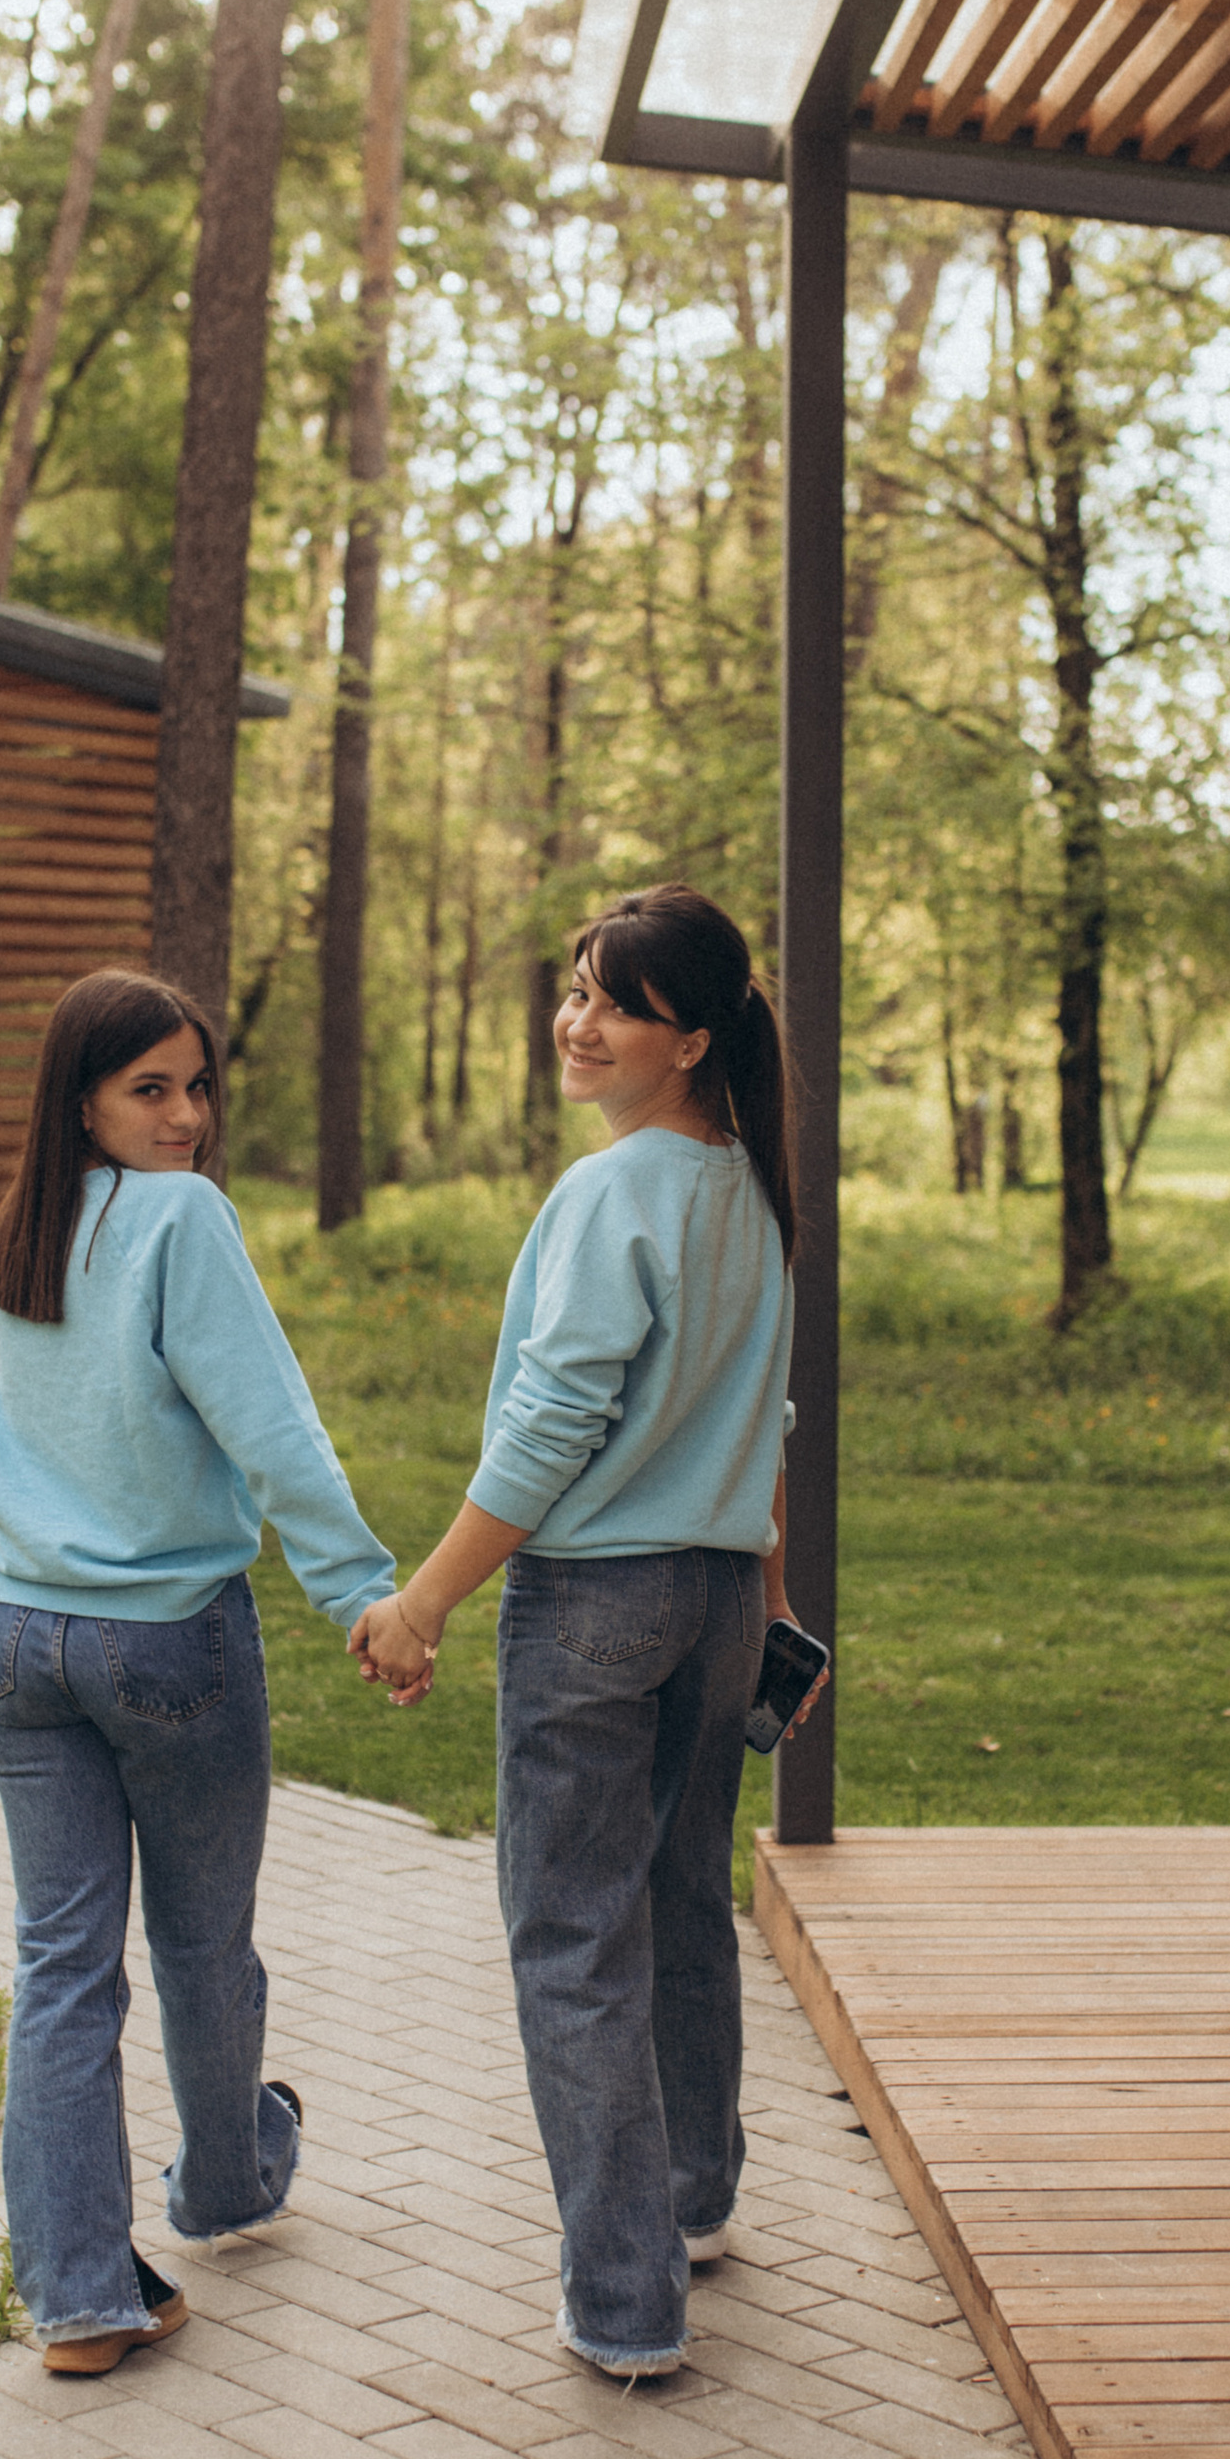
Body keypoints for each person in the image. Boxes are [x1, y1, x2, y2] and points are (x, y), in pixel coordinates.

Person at [354, 885, 798, 2381]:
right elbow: (761, 1421)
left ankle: (625, 2303)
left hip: (603, 1601)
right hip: (721, 1598)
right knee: (679, 1903)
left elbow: (554, 1427)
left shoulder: (613, 1196)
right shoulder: (747, 1186)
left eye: (612, 1001)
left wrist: (424, 1599)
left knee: (573, 1938)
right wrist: (775, 1593)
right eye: (572, 988)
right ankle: (692, 2204)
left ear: (689, 1038)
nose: (577, 1022)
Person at [0, 967, 420, 2376]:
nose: (186, 1117)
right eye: (148, 1089)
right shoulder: (181, 1221)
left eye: (196, 1086)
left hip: (19, 1642)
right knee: (201, 1941)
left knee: (60, 1967)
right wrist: (363, 1591)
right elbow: (273, 1427)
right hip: (166, 1640)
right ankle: (226, 2182)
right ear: (82, 1099)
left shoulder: (11, 1247)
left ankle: (84, 2300)